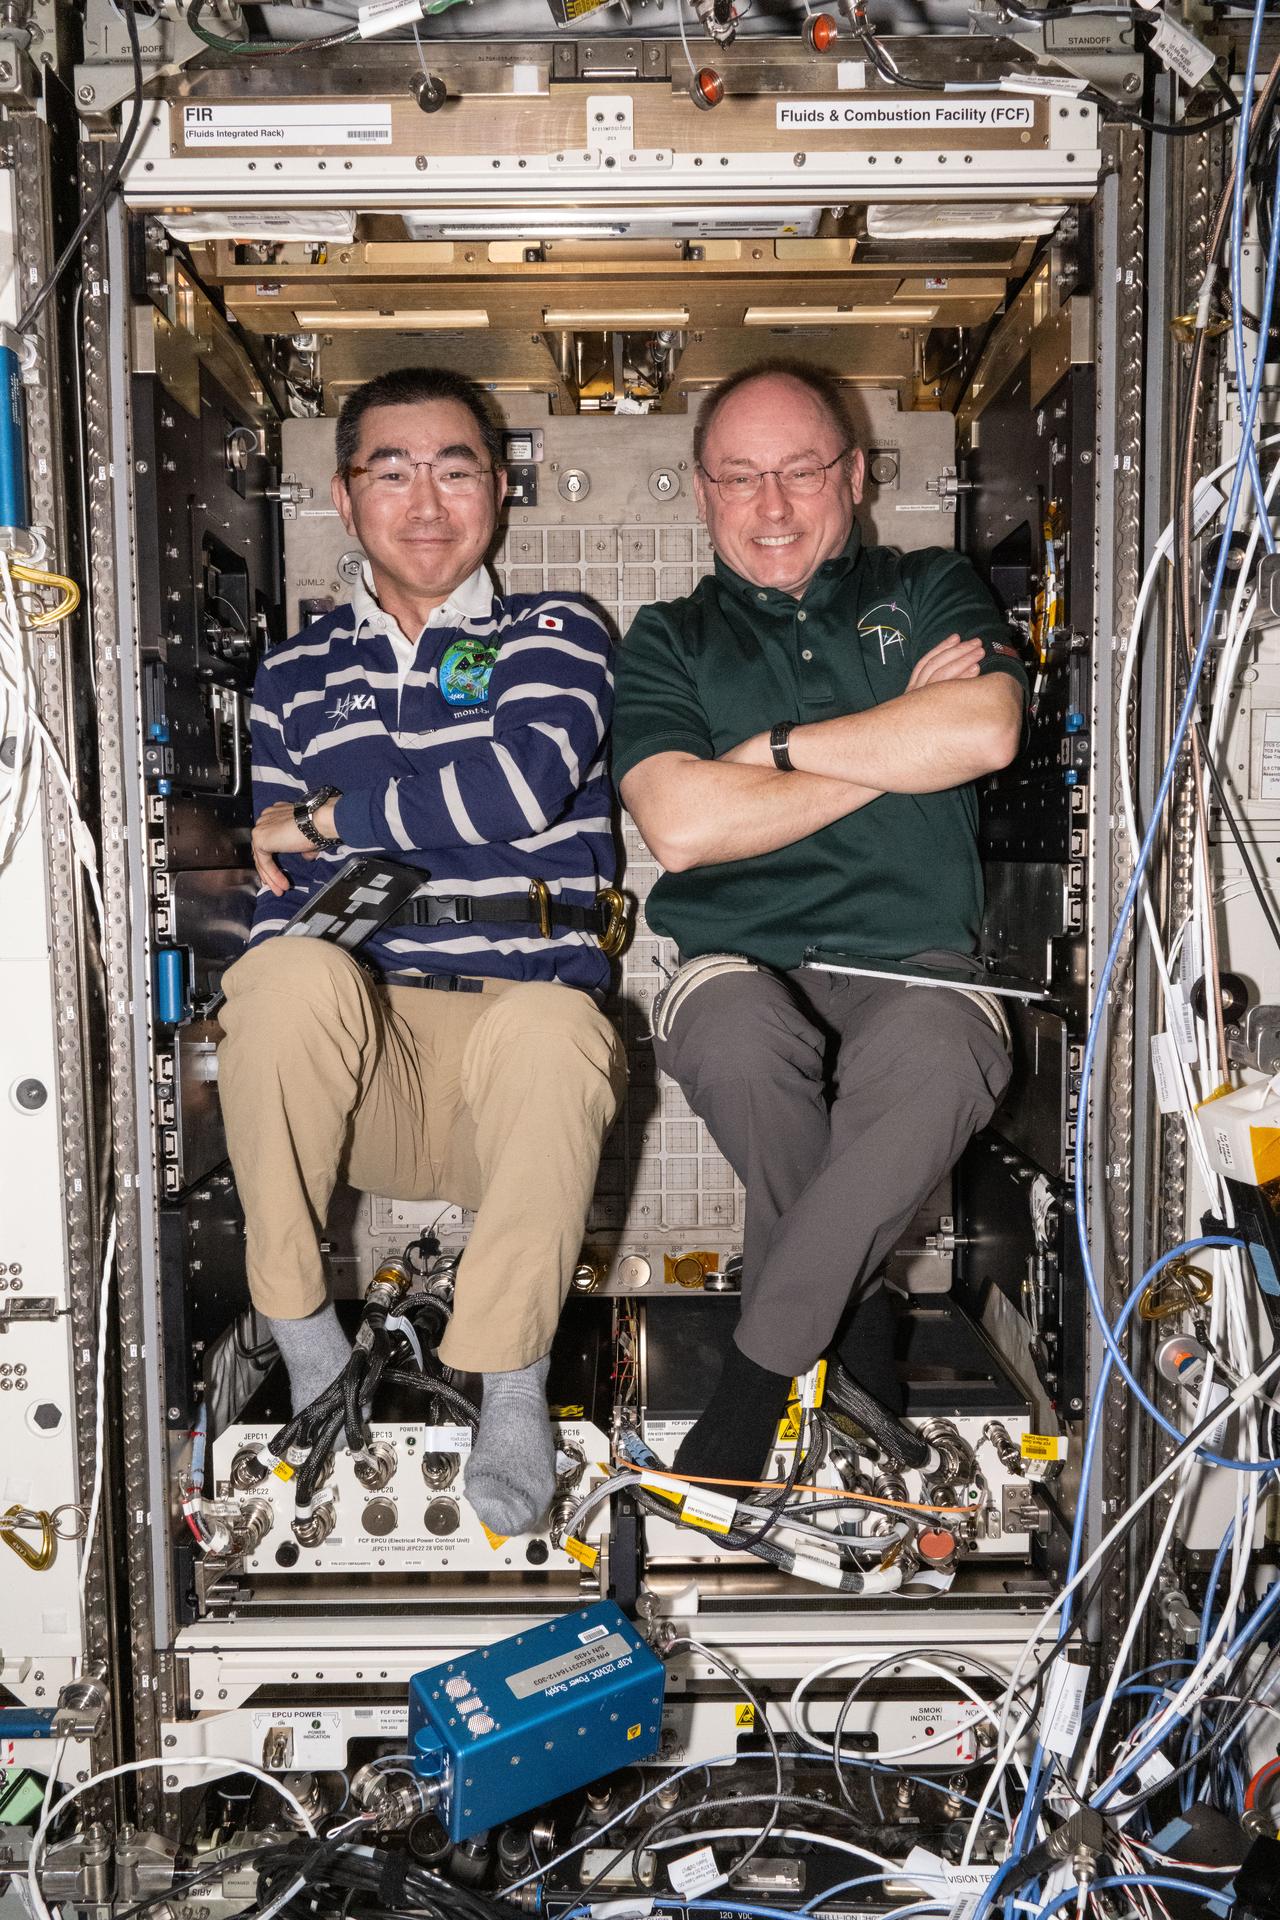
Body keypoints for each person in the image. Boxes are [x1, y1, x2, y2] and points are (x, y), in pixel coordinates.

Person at [217, 366, 627, 1536]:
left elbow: (517, 783)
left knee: (556, 1027)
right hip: (369, 1060)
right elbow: (276, 884)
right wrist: (313, 840)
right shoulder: (293, 676)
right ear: (345, 502)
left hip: (519, 1043)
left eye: (454, 468)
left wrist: (334, 814)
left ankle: (509, 1383)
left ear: (495, 492)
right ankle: (303, 1337)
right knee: (283, 973)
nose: (426, 498)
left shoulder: (555, 632)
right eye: (390, 470)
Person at [612, 360, 1028, 1487]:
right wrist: (897, 735)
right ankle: (854, 1330)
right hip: (734, 960)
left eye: (800, 470)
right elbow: (684, 828)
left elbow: (984, 733)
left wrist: (773, 753)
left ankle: (761, 1370)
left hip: (917, 961)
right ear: (700, 492)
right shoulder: (665, 637)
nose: (772, 506)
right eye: (739, 477)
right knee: (743, 1046)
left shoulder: (930, 582)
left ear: (851, 476)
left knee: (946, 1056)